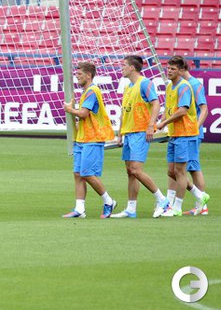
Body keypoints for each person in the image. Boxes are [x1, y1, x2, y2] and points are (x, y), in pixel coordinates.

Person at [111, 55, 168, 218]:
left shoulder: (145, 83)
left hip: (140, 132)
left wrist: (151, 125)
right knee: (130, 172)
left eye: (124, 65)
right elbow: (124, 112)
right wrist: (120, 133)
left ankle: (162, 200)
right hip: (129, 133)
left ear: (132, 67)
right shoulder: (128, 87)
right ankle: (131, 208)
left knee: (136, 170)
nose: (121, 68)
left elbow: (156, 103)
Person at [62, 61, 117, 218]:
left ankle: (108, 201)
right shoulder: (86, 91)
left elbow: (84, 114)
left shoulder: (92, 91)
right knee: (78, 173)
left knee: (87, 173)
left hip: (93, 138)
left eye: (79, 74)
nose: (77, 76)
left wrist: (70, 109)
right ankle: (80, 209)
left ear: (88, 75)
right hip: (83, 137)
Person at [155, 56, 204, 217]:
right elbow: (169, 108)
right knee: (171, 171)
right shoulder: (170, 86)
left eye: (173, 69)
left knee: (181, 172)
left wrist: (164, 123)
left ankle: (176, 208)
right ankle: (199, 195)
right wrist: (160, 124)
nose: (169, 71)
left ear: (180, 71)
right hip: (174, 134)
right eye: (168, 68)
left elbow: (182, 110)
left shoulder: (184, 87)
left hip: (186, 134)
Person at [175, 56, 210, 215]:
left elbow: (204, 109)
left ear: (182, 69)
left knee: (193, 167)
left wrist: (195, 128)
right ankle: (200, 204)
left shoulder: (194, 84)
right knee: (185, 168)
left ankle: (202, 206)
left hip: (191, 133)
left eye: (175, 69)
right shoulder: (182, 85)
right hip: (184, 132)